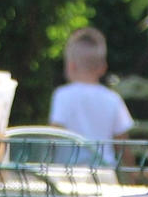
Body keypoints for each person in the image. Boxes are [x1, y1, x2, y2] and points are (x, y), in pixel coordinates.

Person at [47, 27, 133, 163]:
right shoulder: (113, 99)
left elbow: (54, 135)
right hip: (103, 175)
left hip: (69, 173)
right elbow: (123, 145)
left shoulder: (62, 96)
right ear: (103, 67)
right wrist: (132, 178)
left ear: (71, 66)